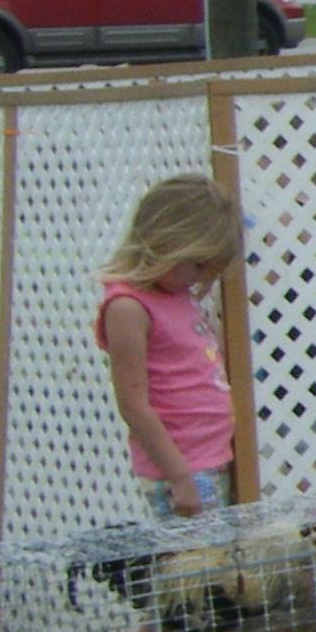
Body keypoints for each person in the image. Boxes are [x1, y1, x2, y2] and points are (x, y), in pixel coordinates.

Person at [97, 174, 241, 521]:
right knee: (195, 566)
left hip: (214, 456)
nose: (197, 276)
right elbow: (133, 404)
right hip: (184, 469)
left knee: (218, 560)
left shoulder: (178, 297)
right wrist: (179, 475)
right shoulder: (128, 308)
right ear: (165, 241)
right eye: (195, 264)